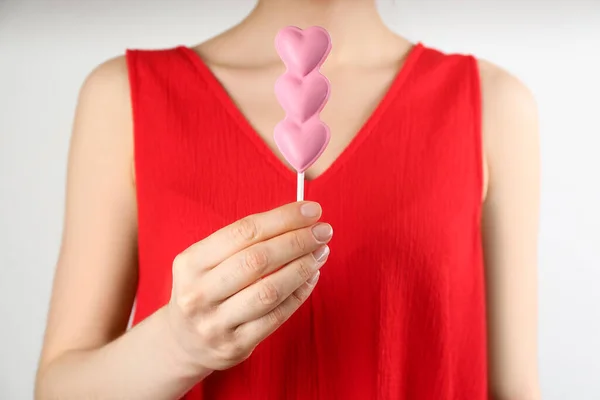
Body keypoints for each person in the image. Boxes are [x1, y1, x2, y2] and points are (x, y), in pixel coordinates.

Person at [34, 0, 541, 399]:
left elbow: (512, 390)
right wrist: (177, 345)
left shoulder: (493, 103)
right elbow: (58, 390)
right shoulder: (123, 96)